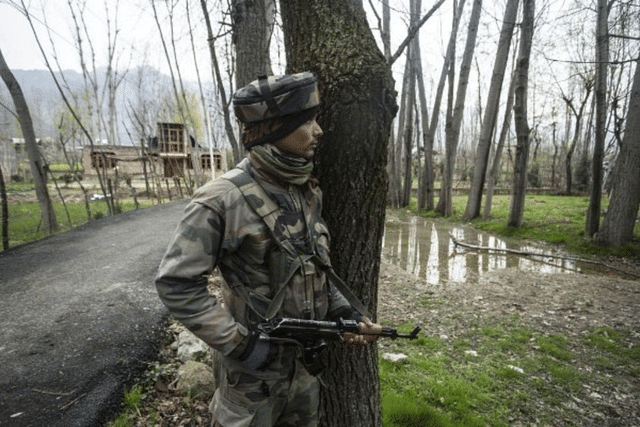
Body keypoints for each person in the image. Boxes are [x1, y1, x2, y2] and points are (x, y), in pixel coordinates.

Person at [155, 72, 380, 427]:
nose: (318, 131)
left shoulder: (305, 192)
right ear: (275, 128)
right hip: (249, 383)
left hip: (304, 375)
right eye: (307, 121)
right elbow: (176, 283)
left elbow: (314, 266)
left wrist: (340, 310)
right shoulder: (221, 200)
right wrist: (240, 344)